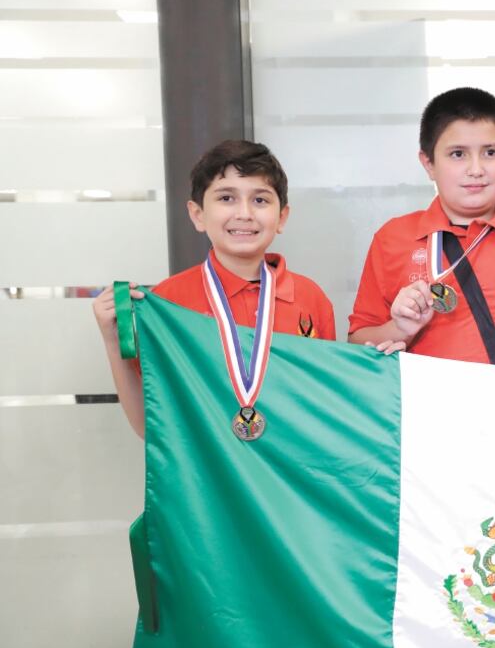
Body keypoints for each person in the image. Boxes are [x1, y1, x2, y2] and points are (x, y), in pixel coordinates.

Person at [93, 140, 338, 438]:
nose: (245, 213)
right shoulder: (167, 302)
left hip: (288, 476)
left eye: (260, 200)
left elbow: (326, 410)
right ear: (198, 215)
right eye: (226, 198)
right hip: (206, 479)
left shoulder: (310, 298)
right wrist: (112, 340)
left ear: (282, 217)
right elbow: (149, 425)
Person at [348, 87, 495, 371]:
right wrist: (400, 328)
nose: (476, 169)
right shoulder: (393, 238)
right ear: (428, 163)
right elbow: (357, 341)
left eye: (490, 152)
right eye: (457, 154)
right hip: (427, 408)